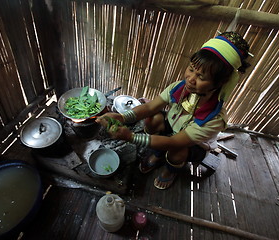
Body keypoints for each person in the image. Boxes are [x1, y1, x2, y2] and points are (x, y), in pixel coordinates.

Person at [96, 31, 251, 190]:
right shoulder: (179, 88)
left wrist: (130, 136)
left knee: (176, 151)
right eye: (191, 69)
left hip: (193, 145)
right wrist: (122, 117)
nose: (191, 79)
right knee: (153, 119)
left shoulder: (213, 118)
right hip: (172, 127)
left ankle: (171, 171)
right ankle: (157, 155)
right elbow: (150, 107)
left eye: (201, 77)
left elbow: (174, 142)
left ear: (219, 83)